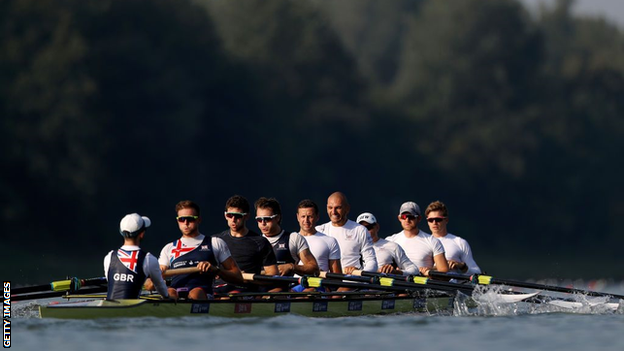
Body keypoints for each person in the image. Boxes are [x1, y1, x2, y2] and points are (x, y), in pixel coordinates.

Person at [156, 200, 243, 300]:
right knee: (169, 292)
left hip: (202, 292)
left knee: (195, 293)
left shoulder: (215, 243)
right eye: (182, 219)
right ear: (177, 221)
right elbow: (158, 276)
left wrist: (216, 270)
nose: (186, 223)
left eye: (190, 219)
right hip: (175, 292)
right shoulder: (169, 248)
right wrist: (154, 279)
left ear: (199, 220)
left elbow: (238, 277)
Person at [213, 195, 279, 294]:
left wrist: (249, 279)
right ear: (225, 215)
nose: (233, 220)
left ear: (247, 216)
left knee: (230, 295)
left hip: (243, 288)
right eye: (230, 215)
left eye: (238, 216)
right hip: (217, 288)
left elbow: (273, 274)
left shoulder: (260, 242)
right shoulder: (216, 240)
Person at [104, 213, 169, 300]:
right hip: (132, 309)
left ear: (121, 233)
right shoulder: (149, 259)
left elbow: (111, 282)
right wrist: (168, 297)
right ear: (142, 234)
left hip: (109, 307)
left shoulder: (109, 257)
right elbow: (161, 288)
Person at [255, 197, 319, 277]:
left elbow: (314, 269)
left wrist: (291, 266)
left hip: (284, 288)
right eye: (259, 219)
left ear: (277, 218)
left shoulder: (294, 238)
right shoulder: (253, 241)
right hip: (258, 288)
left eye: (267, 219)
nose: (263, 223)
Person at [316, 192, 377, 274]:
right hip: (326, 280)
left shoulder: (360, 230)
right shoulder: (319, 230)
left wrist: (360, 272)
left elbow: (372, 262)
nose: (334, 212)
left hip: (351, 279)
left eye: (338, 208)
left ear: (347, 209)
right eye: (330, 208)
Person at [386, 201, 449, 277]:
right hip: (397, 285)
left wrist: (429, 272)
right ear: (399, 218)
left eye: (411, 217)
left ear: (419, 218)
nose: (407, 220)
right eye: (404, 217)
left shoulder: (433, 241)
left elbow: (445, 273)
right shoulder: (390, 241)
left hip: (422, 286)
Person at [425, 201, 481, 275]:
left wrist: (462, 266)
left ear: (446, 220)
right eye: (431, 220)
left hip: (452, 284)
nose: (434, 222)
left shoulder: (460, 242)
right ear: (427, 222)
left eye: (438, 219)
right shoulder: (422, 242)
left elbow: (477, 272)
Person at [296, 199, 342, 275]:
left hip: (317, 285)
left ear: (317, 217)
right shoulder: (290, 240)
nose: (306, 220)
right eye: (303, 216)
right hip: (293, 285)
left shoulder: (330, 241)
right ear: (298, 217)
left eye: (310, 216)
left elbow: (337, 277)